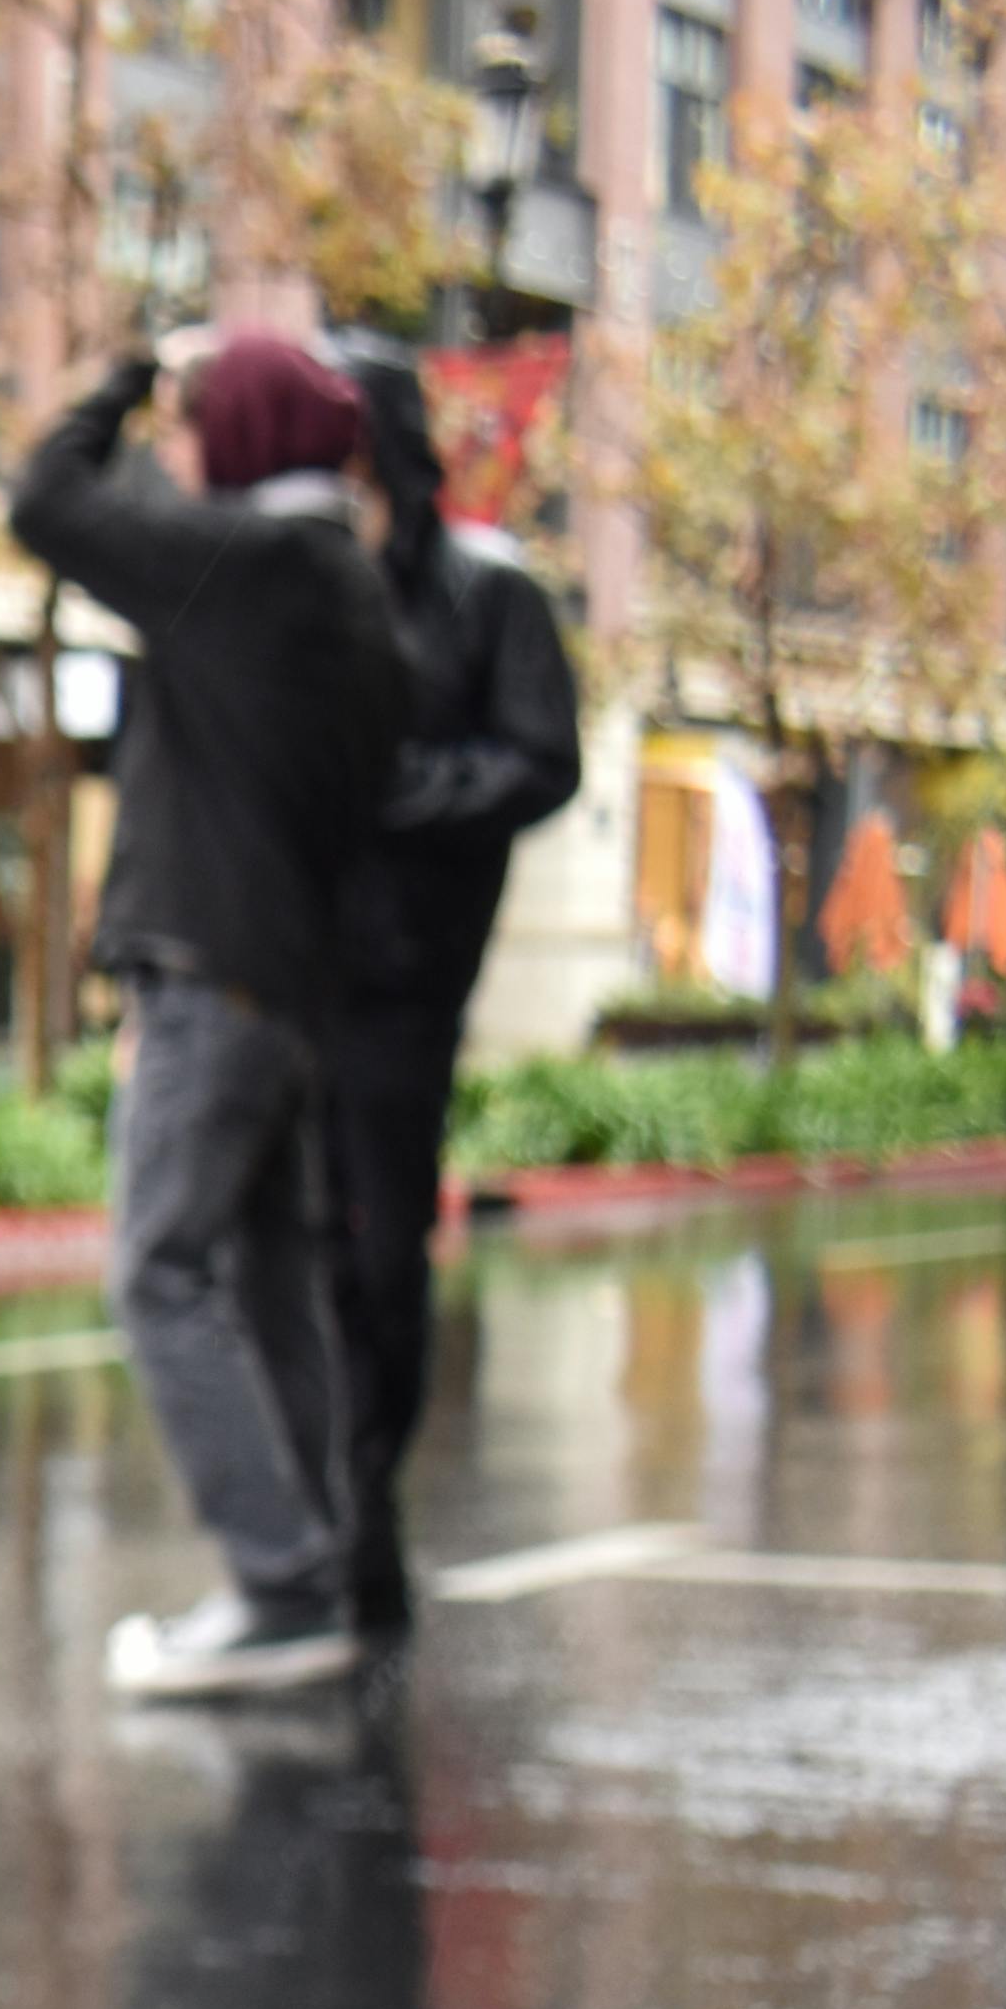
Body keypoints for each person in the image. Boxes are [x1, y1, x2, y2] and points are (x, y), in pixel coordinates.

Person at [5, 328, 408, 1701]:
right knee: (270, 1288)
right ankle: (322, 1579)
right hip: (288, 998)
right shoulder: (344, 583)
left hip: (213, 988)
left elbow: (44, 503)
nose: (179, 453)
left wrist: (120, 374)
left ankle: (283, 1589)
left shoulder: (252, 569)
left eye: (197, 427)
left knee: (162, 1277)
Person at [325, 350, 584, 1632]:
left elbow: (543, 759)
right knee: (292, 1241)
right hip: (288, 960)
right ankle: (315, 1492)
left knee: (379, 1242)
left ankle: (364, 1493)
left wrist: (407, 800)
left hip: (407, 972)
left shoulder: (488, 589)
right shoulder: (302, 568)